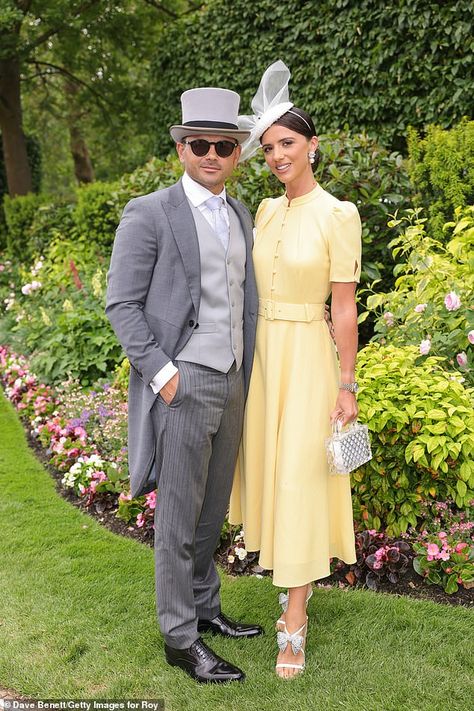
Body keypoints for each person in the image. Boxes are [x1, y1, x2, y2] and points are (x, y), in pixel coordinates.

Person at [106, 86, 262, 684]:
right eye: (200, 143)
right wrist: (163, 373)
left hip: (231, 379)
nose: (212, 154)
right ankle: (179, 637)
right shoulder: (149, 212)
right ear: (181, 147)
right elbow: (121, 304)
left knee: (210, 511)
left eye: (224, 145)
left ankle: (205, 607)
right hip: (183, 379)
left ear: (236, 152)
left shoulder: (239, 213)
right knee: (176, 518)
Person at [230, 61, 361, 679]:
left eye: (288, 143)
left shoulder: (339, 214)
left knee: (301, 482)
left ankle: (296, 622)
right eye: (270, 146)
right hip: (263, 358)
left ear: (312, 146)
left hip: (308, 357)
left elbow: (343, 308)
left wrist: (346, 385)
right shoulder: (263, 212)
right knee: (272, 474)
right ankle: (287, 585)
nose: (277, 154)